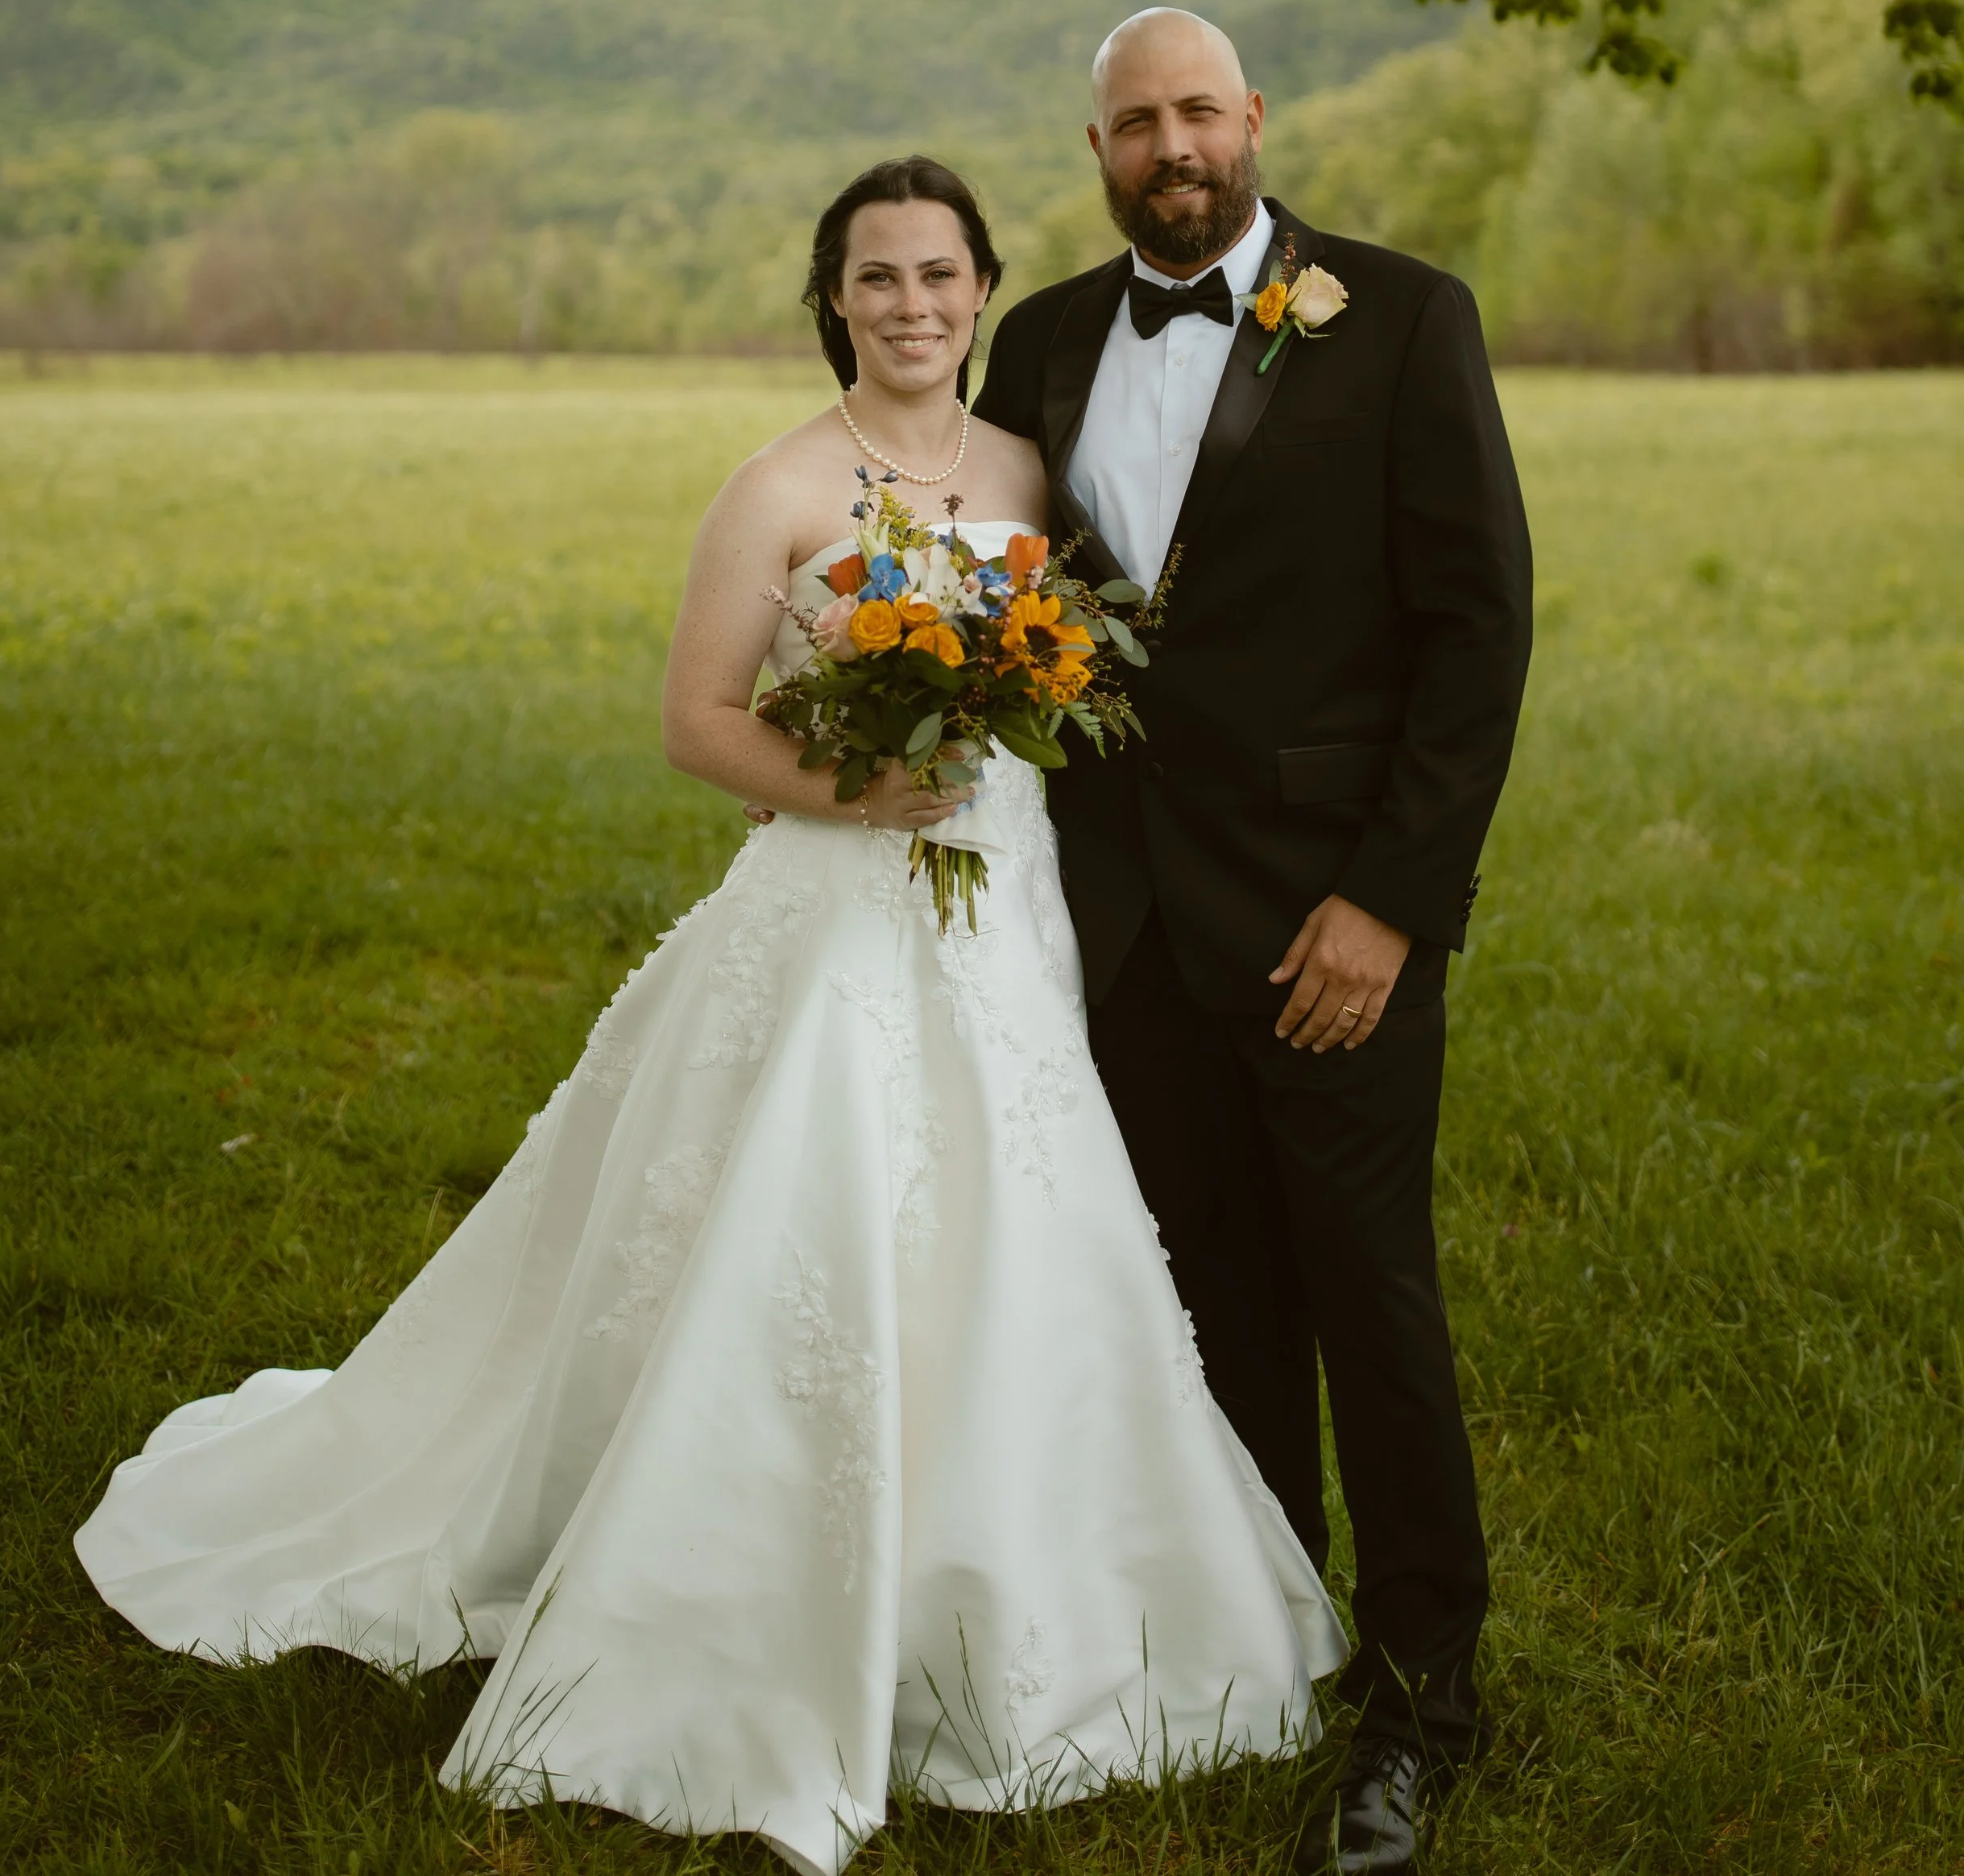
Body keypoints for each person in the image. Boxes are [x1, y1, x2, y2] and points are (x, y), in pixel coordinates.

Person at [76, 152, 1343, 1876]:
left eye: (940, 274)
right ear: (831, 298)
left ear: (983, 293)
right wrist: (852, 784)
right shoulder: (776, 487)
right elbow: (696, 720)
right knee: (809, 1209)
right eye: (877, 277)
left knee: (1024, 1218)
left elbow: (1087, 672)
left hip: (1005, 904)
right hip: (834, 911)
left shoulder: (1034, 473)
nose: (912, 305)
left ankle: (1036, 1577)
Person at [976, 13, 1532, 1875]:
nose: (1169, 146)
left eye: (1197, 111)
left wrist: (1389, 902)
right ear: (1096, 147)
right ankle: (1257, 1649)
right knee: (1206, 1304)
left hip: (1326, 920)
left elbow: (1473, 634)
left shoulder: (1399, 315)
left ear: (1253, 123)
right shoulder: (1042, 339)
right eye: (1134, 122)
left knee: (1365, 1300)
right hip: (1120, 921)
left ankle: (1420, 1703)